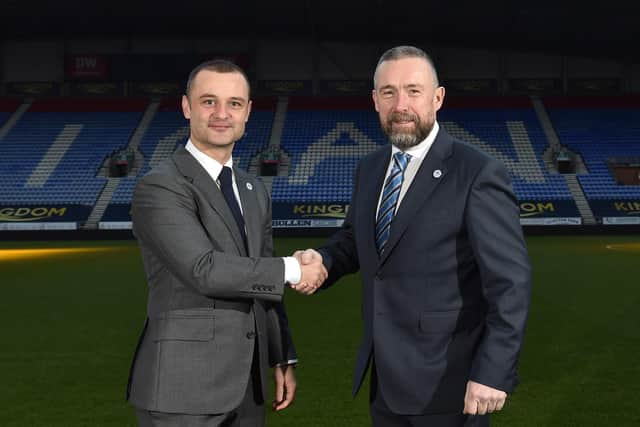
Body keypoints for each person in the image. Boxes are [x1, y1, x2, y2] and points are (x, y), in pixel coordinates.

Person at [292, 46, 531, 426]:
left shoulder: (477, 173)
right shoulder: (369, 169)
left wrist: (492, 371)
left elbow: (510, 283)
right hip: (385, 379)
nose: (401, 104)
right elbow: (355, 241)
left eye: (413, 91)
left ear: (438, 98)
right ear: (375, 100)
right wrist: (324, 260)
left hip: (450, 382)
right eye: (389, 92)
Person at [126, 59, 326, 426]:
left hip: (248, 386)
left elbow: (262, 279)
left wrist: (282, 355)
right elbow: (204, 269)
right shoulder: (161, 185)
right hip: (181, 389)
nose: (222, 113)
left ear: (248, 112)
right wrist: (296, 268)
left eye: (234, 103)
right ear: (186, 107)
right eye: (208, 101)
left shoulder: (254, 190)